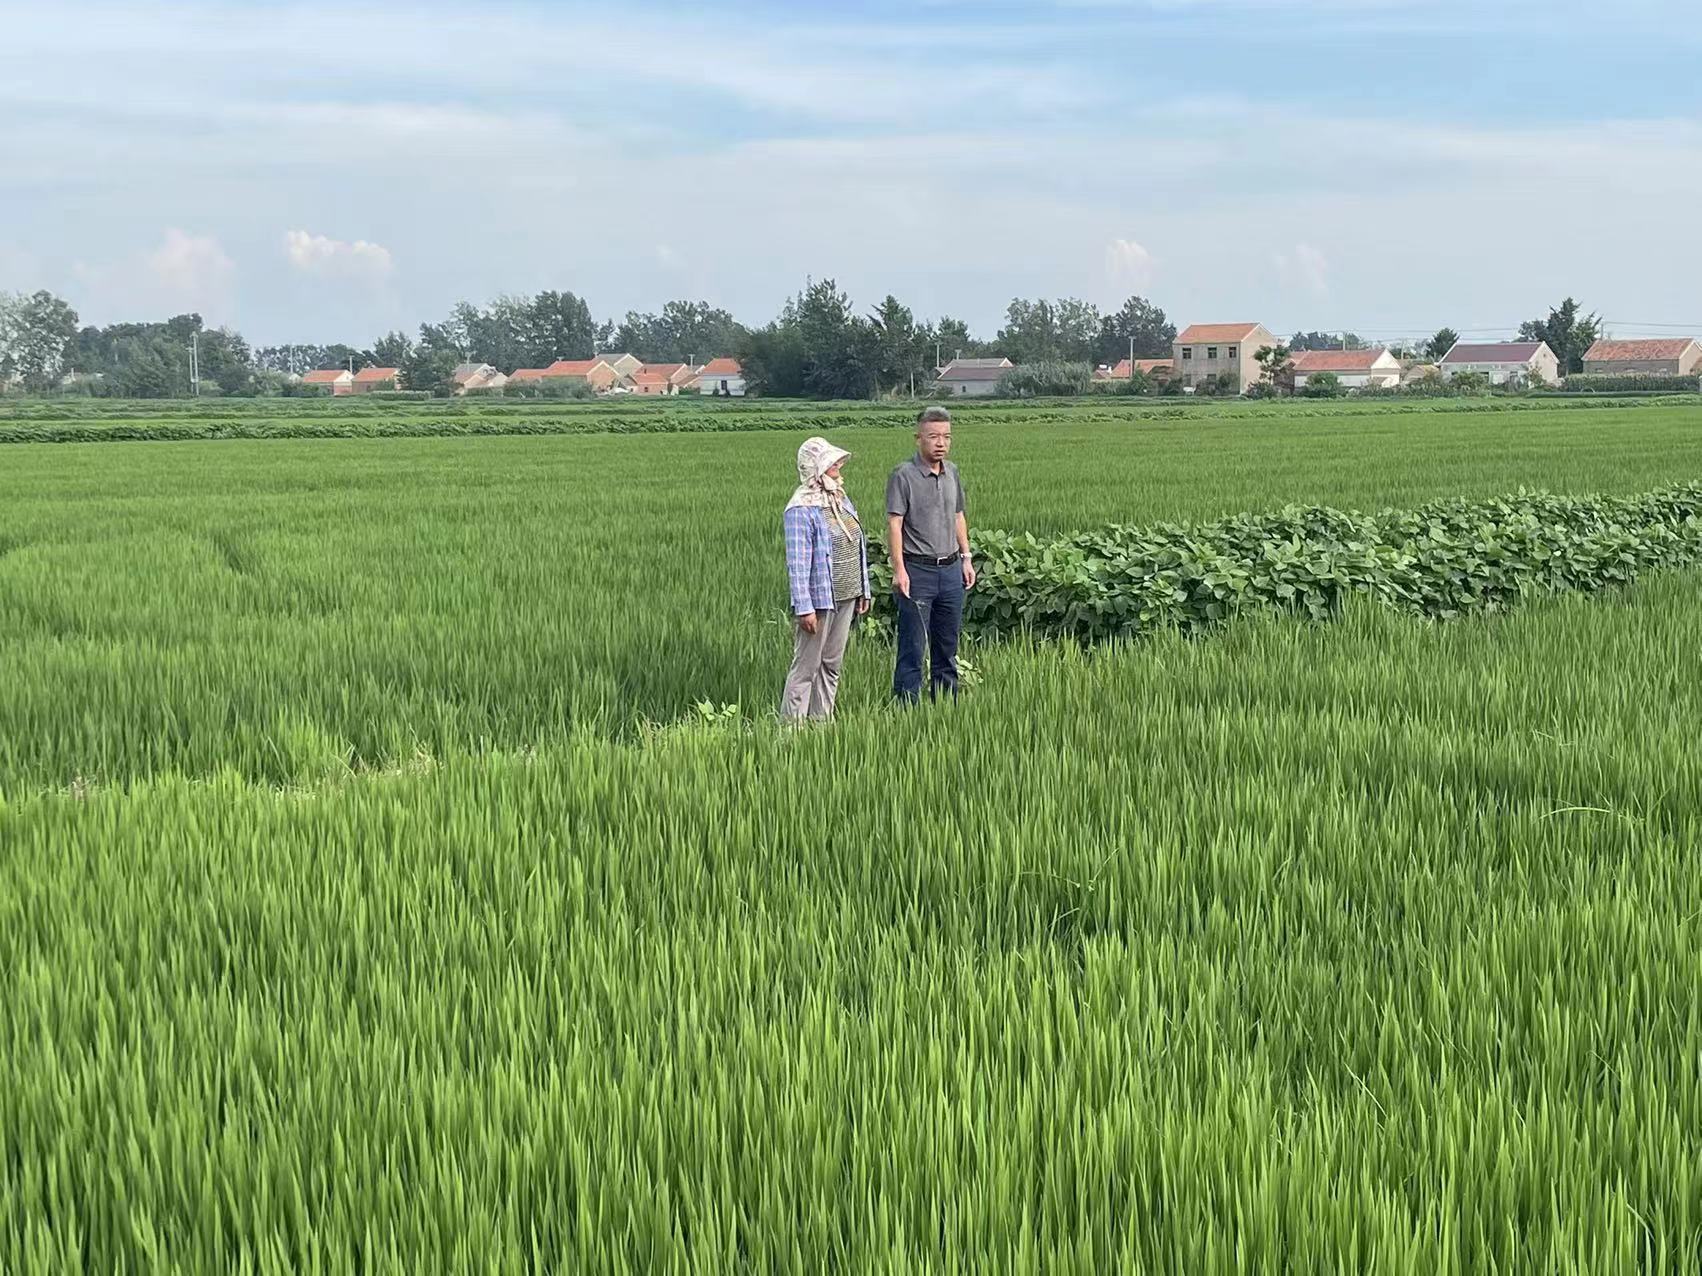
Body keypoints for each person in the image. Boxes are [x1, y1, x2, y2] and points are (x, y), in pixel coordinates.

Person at [887, 405, 975, 702]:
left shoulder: (952, 472)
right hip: (917, 571)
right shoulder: (903, 475)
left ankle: (946, 706)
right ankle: (906, 709)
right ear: (918, 438)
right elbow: (895, 524)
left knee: (947, 646)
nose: (941, 443)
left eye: (946, 437)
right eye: (933, 436)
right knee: (913, 647)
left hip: (950, 570)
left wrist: (966, 558)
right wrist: (899, 570)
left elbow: (958, 515)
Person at [780, 436, 871, 722]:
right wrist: (804, 608)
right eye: (831, 462)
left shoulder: (840, 499)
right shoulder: (800, 508)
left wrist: (863, 589)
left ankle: (821, 726)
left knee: (832, 664)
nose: (838, 466)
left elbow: (857, 544)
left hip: (847, 593)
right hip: (820, 601)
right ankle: (791, 731)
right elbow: (797, 563)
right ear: (816, 467)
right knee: (806, 667)